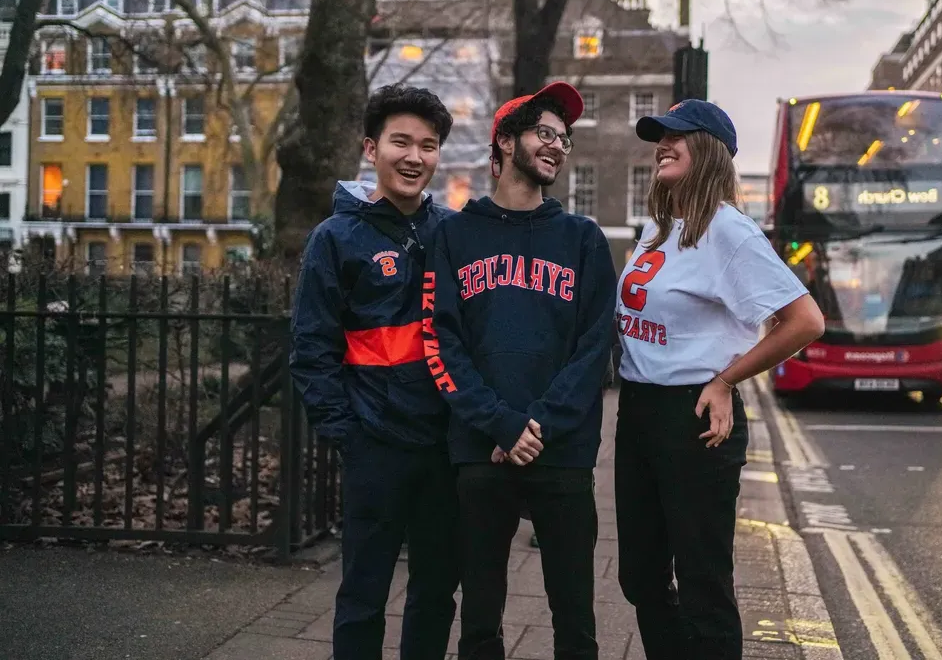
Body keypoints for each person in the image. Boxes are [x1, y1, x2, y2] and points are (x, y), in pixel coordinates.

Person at [614, 99, 826, 659]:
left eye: (676, 135)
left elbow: (805, 320)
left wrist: (727, 380)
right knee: (639, 576)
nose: (662, 143)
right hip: (637, 412)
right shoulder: (657, 227)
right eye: (658, 136)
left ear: (708, 150)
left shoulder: (730, 232)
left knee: (704, 587)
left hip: (692, 420)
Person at [422, 81, 617, 660]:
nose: (557, 146)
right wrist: (501, 424)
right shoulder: (454, 235)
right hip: (482, 450)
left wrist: (535, 426)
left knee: (575, 618)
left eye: (564, 138)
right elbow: (441, 340)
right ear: (505, 141)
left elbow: (595, 346)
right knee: (479, 614)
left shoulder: (582, 239)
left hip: (561, 452)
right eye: (544, 133)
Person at [290, 84, 459, 660]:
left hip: (444, 446)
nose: (415, 157)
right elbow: (312, 348)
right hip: (376, 445)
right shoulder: (335, 238)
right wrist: (348, 435)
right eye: (401, 142)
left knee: (437, 593)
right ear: (371, 148)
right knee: (363, 594)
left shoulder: (453, 233)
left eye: (429, 145)